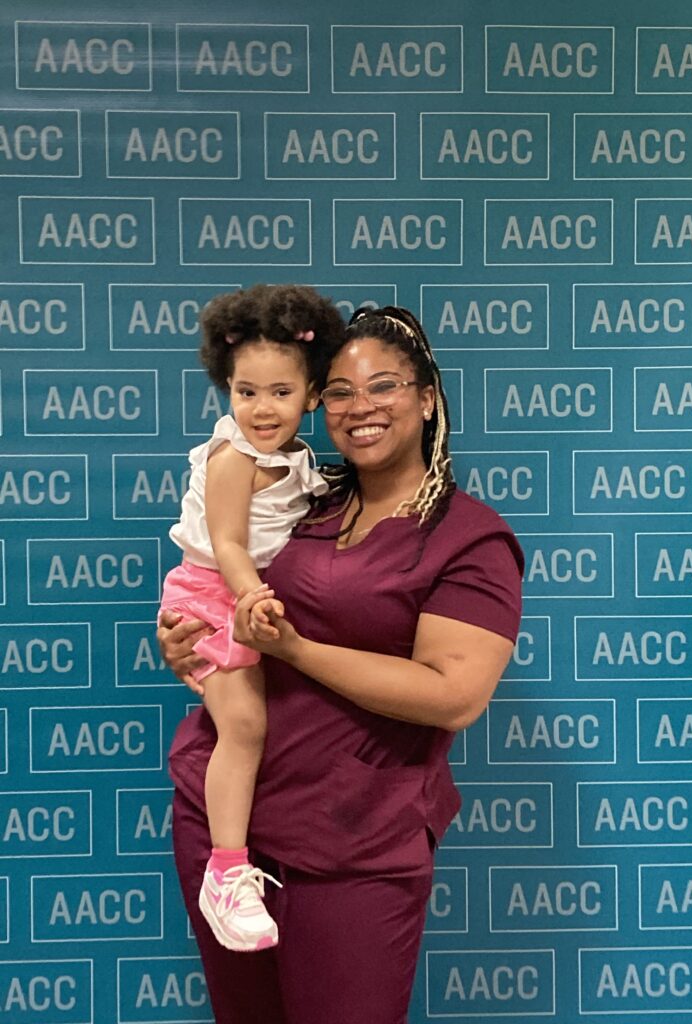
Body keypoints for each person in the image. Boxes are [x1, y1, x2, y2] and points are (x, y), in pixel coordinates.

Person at [158, 304, 524, 1024]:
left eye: (384, 386)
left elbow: (453, 696)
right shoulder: (303, 498)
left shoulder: (469, 539)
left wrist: (294, 649)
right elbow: (217, 576)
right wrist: (190, 644)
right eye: (340, 391)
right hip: (227, 831)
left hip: (356, 849)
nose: (360, 409)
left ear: (427, 399)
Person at [158, 283, 344, 952]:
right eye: (245, 392)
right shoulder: (234, 458)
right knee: (244, 722)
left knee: (265, 720)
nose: (261, 409)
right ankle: (227, 869)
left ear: (314, 394)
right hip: (212, 591)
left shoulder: (298, 462)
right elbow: (230, 544)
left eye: (280, 392)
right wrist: (249, 598)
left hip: (242, 596)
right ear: (226, 389)